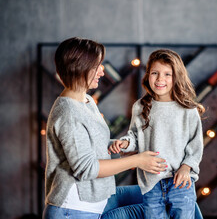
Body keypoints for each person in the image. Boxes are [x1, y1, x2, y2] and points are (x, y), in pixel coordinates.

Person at [42, 37, 168, 219]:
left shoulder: (86, 100)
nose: (102, 71)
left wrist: (118, 145)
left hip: (98, 199)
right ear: (80, 67)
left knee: (175, 197)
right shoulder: (68, 112)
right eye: (97, 65)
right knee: (166, 205)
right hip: (75, 210)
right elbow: (87, 169)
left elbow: (88, 145)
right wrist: (137, 161)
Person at [108, 49, 205, 218]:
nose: (160, 79)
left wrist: (186, 167)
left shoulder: (188, 110)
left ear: (177, 77)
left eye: (168, 74)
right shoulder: (140, 106)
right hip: (151, 184)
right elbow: (135, 136)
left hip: (180, 182)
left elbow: (195, 144)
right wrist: (125, 143)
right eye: (155, 73)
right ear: (147, 76)